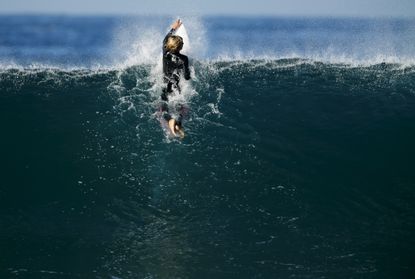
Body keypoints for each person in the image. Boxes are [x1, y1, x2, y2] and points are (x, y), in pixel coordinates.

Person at [160, 19, 191, 138]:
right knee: (182, 107)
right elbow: (187, 77)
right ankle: (178, 123)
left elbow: (165, 39)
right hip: (176, 86)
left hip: (165, 85)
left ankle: (170, 121)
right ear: (180, 48)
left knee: (163, 108)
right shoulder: (184, 59)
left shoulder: (165, 52)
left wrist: (173, 28)